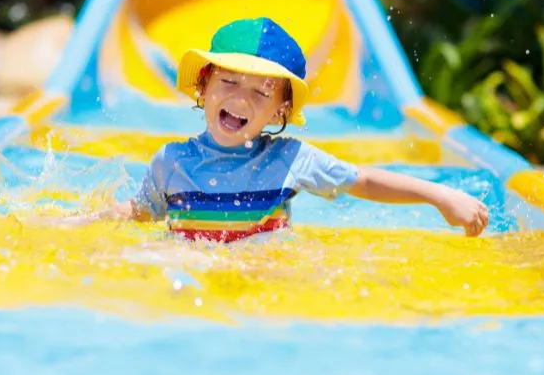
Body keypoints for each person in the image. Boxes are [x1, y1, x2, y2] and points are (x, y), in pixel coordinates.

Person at [96, 17, 489, 242]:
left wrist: (440, 196)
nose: (241, 99)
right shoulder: (171, 161)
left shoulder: (288, 159)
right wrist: (78, 223)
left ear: (279, 110)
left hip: (263, 279)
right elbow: (138, 212)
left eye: (260, 92)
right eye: (228, 82)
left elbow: (365, 181)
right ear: (203, 86)